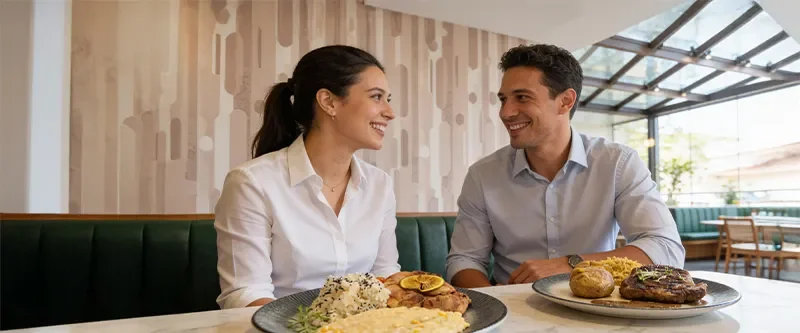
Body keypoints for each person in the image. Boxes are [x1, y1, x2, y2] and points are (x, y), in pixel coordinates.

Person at [445, 44, 685, 288]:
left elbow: (664, 246)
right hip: (514, 310)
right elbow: (465, 260)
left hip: (597, 307)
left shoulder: (618, 163)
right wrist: (499, 309)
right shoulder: (482, 175)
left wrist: (571, 263)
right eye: (503, 99)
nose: (505, 113)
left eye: (522, 97)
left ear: (566, 101)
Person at [214, 45, 401, 309]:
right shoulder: (251, 183)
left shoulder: (380, 185)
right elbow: (245, 293)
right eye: (376, 96)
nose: (390, 112)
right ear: (329, 102)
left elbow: (386, 275)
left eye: (387, 99)